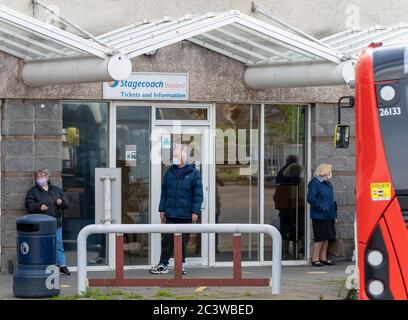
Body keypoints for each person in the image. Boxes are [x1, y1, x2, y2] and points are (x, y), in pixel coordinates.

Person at [150, 144, 203, 275]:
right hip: (171, 213)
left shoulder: (193, 174)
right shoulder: (169, 172)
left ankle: (181, 265)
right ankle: (163, 264)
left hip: (185, 214)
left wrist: (195, 211)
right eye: (173, 155)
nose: (173, 158)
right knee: (167, 240)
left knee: (183, 241)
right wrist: (162, 209)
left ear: (183, 156)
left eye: (176, 155)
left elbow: (198, 195)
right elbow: (164, 192)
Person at [25, 168, 71, 275]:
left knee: (58, 244)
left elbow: (67, 203)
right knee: (44, 245)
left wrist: (61, 202)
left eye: (42, 176)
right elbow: (29, 205)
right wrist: (39, 206)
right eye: (38, 177)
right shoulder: (33, 192)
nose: (40, 178)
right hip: (42, 225)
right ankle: (47, 266)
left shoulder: (56, 190)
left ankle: (62, 266)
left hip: (56, 223)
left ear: (47, 177)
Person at [273, 155, 305, 259]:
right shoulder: (298, 183)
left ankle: (285, 252)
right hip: (296, 210)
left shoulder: (281, 180)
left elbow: (275, 197)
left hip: (284, 210)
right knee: (298, 232)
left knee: (285, 232)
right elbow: (301, 198)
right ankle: (298, 251)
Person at [307, 163, 337, 267]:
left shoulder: (328, 184)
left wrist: (335, 214)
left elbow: (332, 200)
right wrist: (322, 207)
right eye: (329, 171)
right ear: (324, 171)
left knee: (327, 237)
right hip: (319, 215)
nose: (330, 174)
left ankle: (323, 258)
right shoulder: (315, 183)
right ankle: (315, 259)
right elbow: (310, 198)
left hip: (329, 215)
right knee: (319, 237)